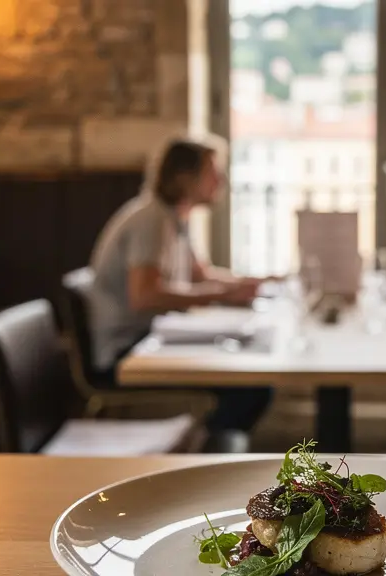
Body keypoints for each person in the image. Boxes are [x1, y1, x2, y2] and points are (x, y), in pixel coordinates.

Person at [88, 136, 272, 433]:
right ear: (185, 177)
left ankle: (207, 451)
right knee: (251, 388)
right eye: (213, 171)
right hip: (128, 351)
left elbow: (201, 274)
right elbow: (145, 296)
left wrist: (254, 282)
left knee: (250, 375)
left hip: (154, 339)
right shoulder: (151, 219)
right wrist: (223, 294)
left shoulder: (175, 218)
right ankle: (203, 451)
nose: (221, 180)